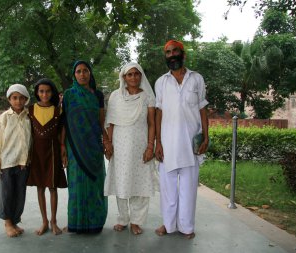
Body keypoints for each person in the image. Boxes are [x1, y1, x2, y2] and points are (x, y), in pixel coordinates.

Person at [154, 40, 209, 239]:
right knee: (168, 189)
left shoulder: (196, 79)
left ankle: (187, 227)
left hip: (190, 142)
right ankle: (168, 225)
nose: (171, 55)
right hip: (167, 143)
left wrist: (206, 136)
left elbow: (203, 108)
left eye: (175, 51)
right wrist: (158, 142)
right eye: (168, 52)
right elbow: (158, 113)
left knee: (188, 188)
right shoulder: (161, 82)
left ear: (183, 54)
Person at [104, 62, 159, 235]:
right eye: (129, 74)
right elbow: (110, 123)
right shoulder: (115, 96)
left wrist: (151, 146)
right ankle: (122, 219)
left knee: (140, 184)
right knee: (121, 183)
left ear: (141, 76)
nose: (133, 77)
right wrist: (108, 144)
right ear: (124, 77)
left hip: (140, 145)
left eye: (136, 74)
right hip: (119, 147)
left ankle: (136, 221)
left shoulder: (148, 97)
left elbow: (151, 123)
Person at [60, 60, 110, 233]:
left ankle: (96, 222)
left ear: (90, 73)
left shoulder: (97, 95)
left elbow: (101, 122)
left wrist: (106, 141)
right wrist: (62, 146)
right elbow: (65, 122)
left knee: (96, 185)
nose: (82, 74)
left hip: (93, 147)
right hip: (74, 148)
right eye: (78, 71)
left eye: (85, 71)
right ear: (74, 75)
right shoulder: (69, 95)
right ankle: (76, 223)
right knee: (76, 185)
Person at [0, 83, 32, 238]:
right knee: (7, 194)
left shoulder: (29, 116)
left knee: (20, 194)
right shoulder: (4, 117)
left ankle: (14, 221)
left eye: (21, 98)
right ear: (9, 99)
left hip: (23, 163)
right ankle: (7, 222)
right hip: (7, 162)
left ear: (26, 99)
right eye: (14, 98)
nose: (18, 101)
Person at [27, 78, 68, 235]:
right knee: (40, 187)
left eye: (48, 91)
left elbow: (61, 130)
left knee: (52, 187)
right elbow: (29, 133)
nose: (45, 94)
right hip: (36, 152)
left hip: (53, 150)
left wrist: (63, 147)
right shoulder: (30, 110)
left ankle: (54, 221)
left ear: (53, 93)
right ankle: (44, 221)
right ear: (37, 93)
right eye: (41, 91)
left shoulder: (58, 111)